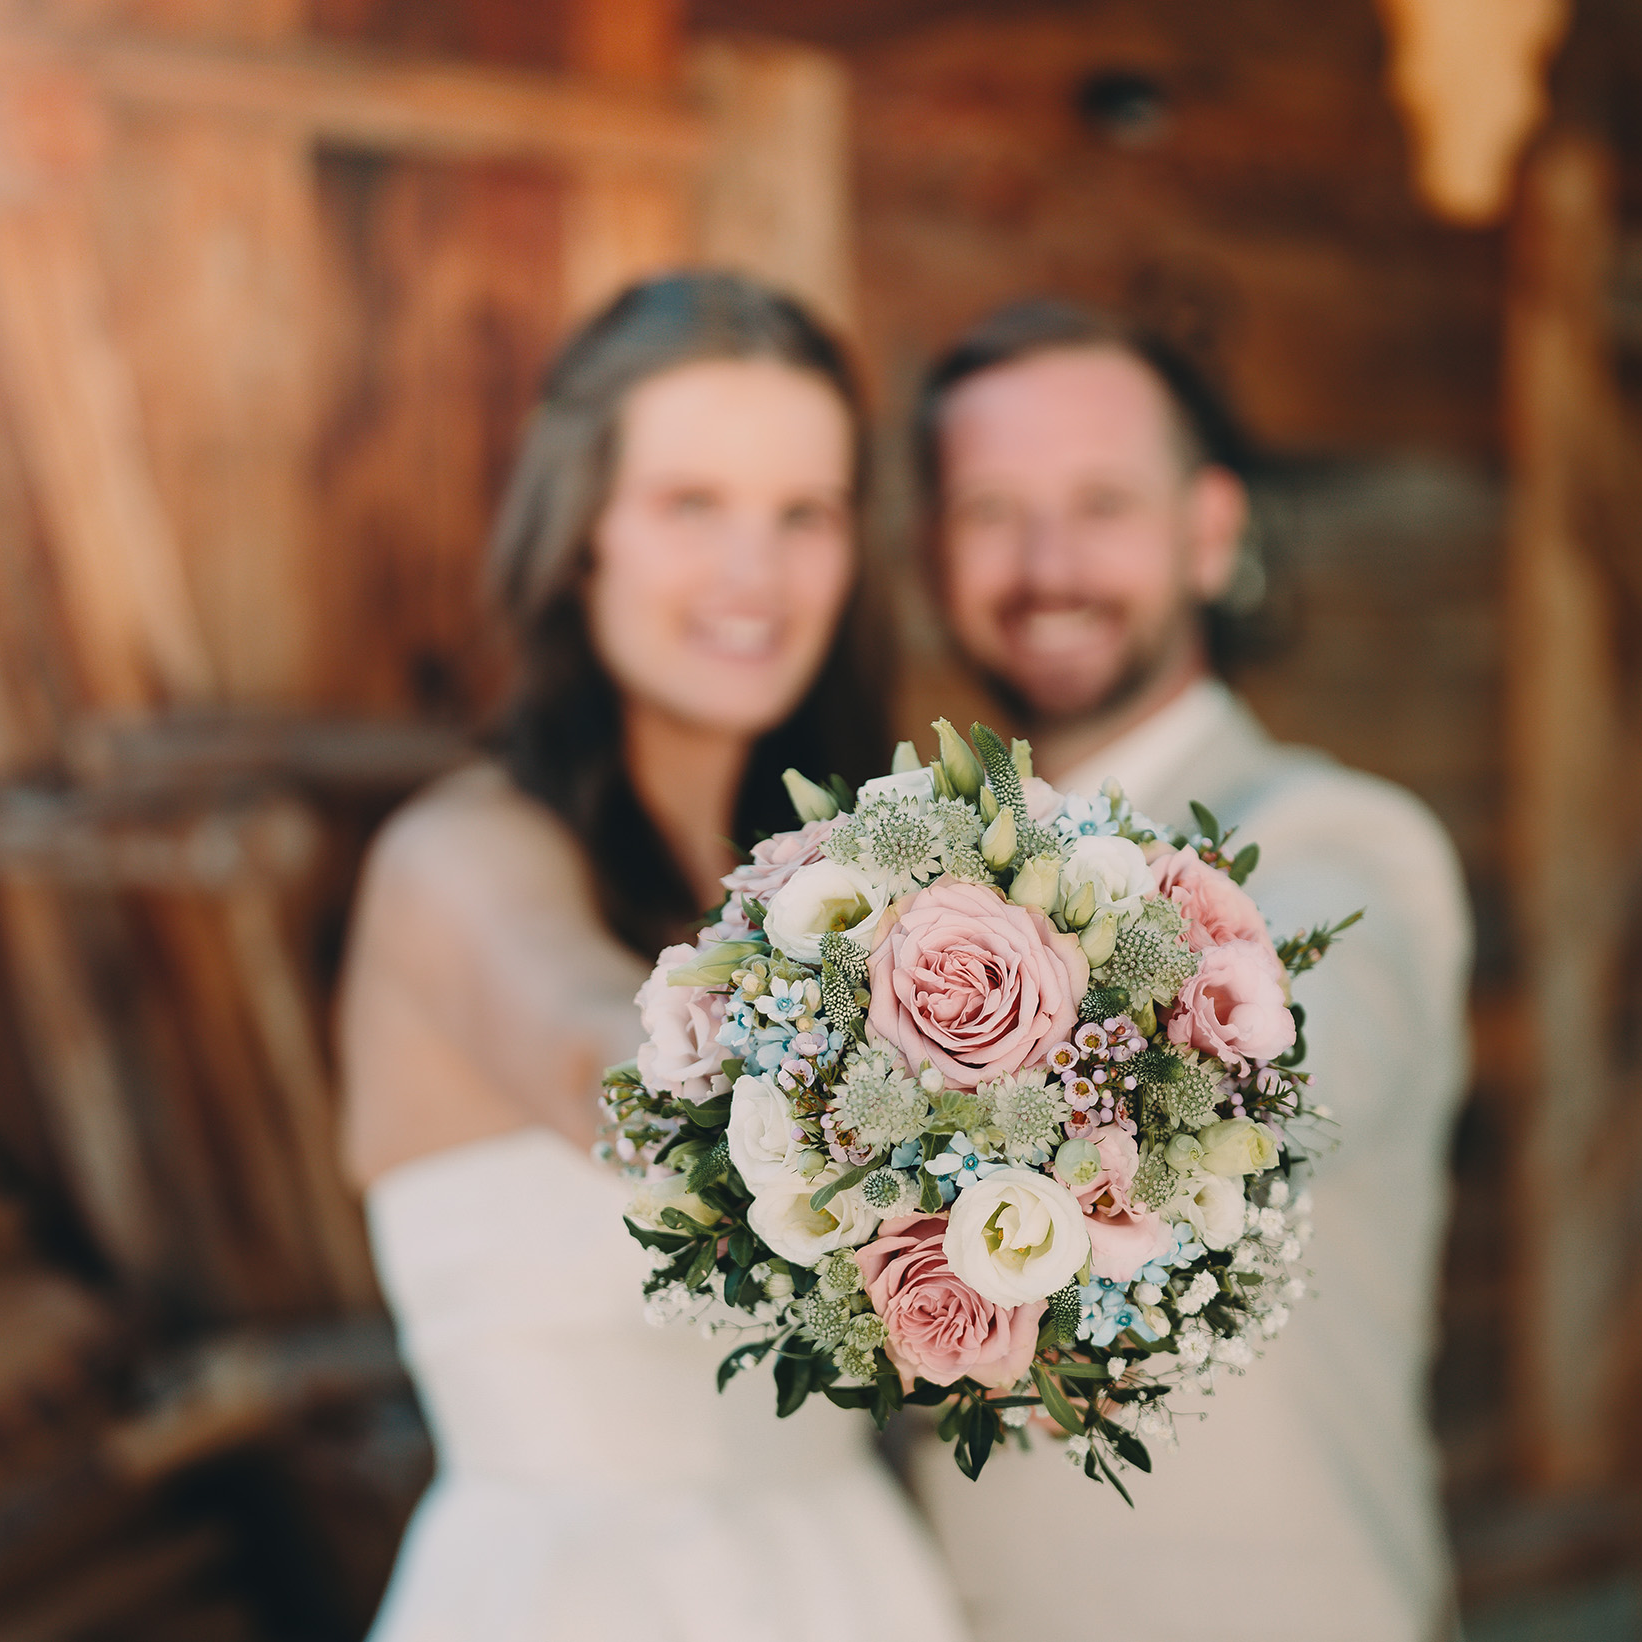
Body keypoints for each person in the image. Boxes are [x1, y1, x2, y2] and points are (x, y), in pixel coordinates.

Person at [339, 272, 966, 1642]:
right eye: (693, 506)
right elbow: (587, 1040)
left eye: (803, 516)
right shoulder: (455, 861)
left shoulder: (850, 880)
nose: (756, 573)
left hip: (851, 1578)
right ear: (583, 539)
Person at [909, 300, 1474, 1642]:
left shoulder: (1349, 846)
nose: (1048, 562)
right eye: (992, 508)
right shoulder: (911, 884)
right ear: (937, 551)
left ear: (1210, 532)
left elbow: (1273, 1070)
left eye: (1101, 501)